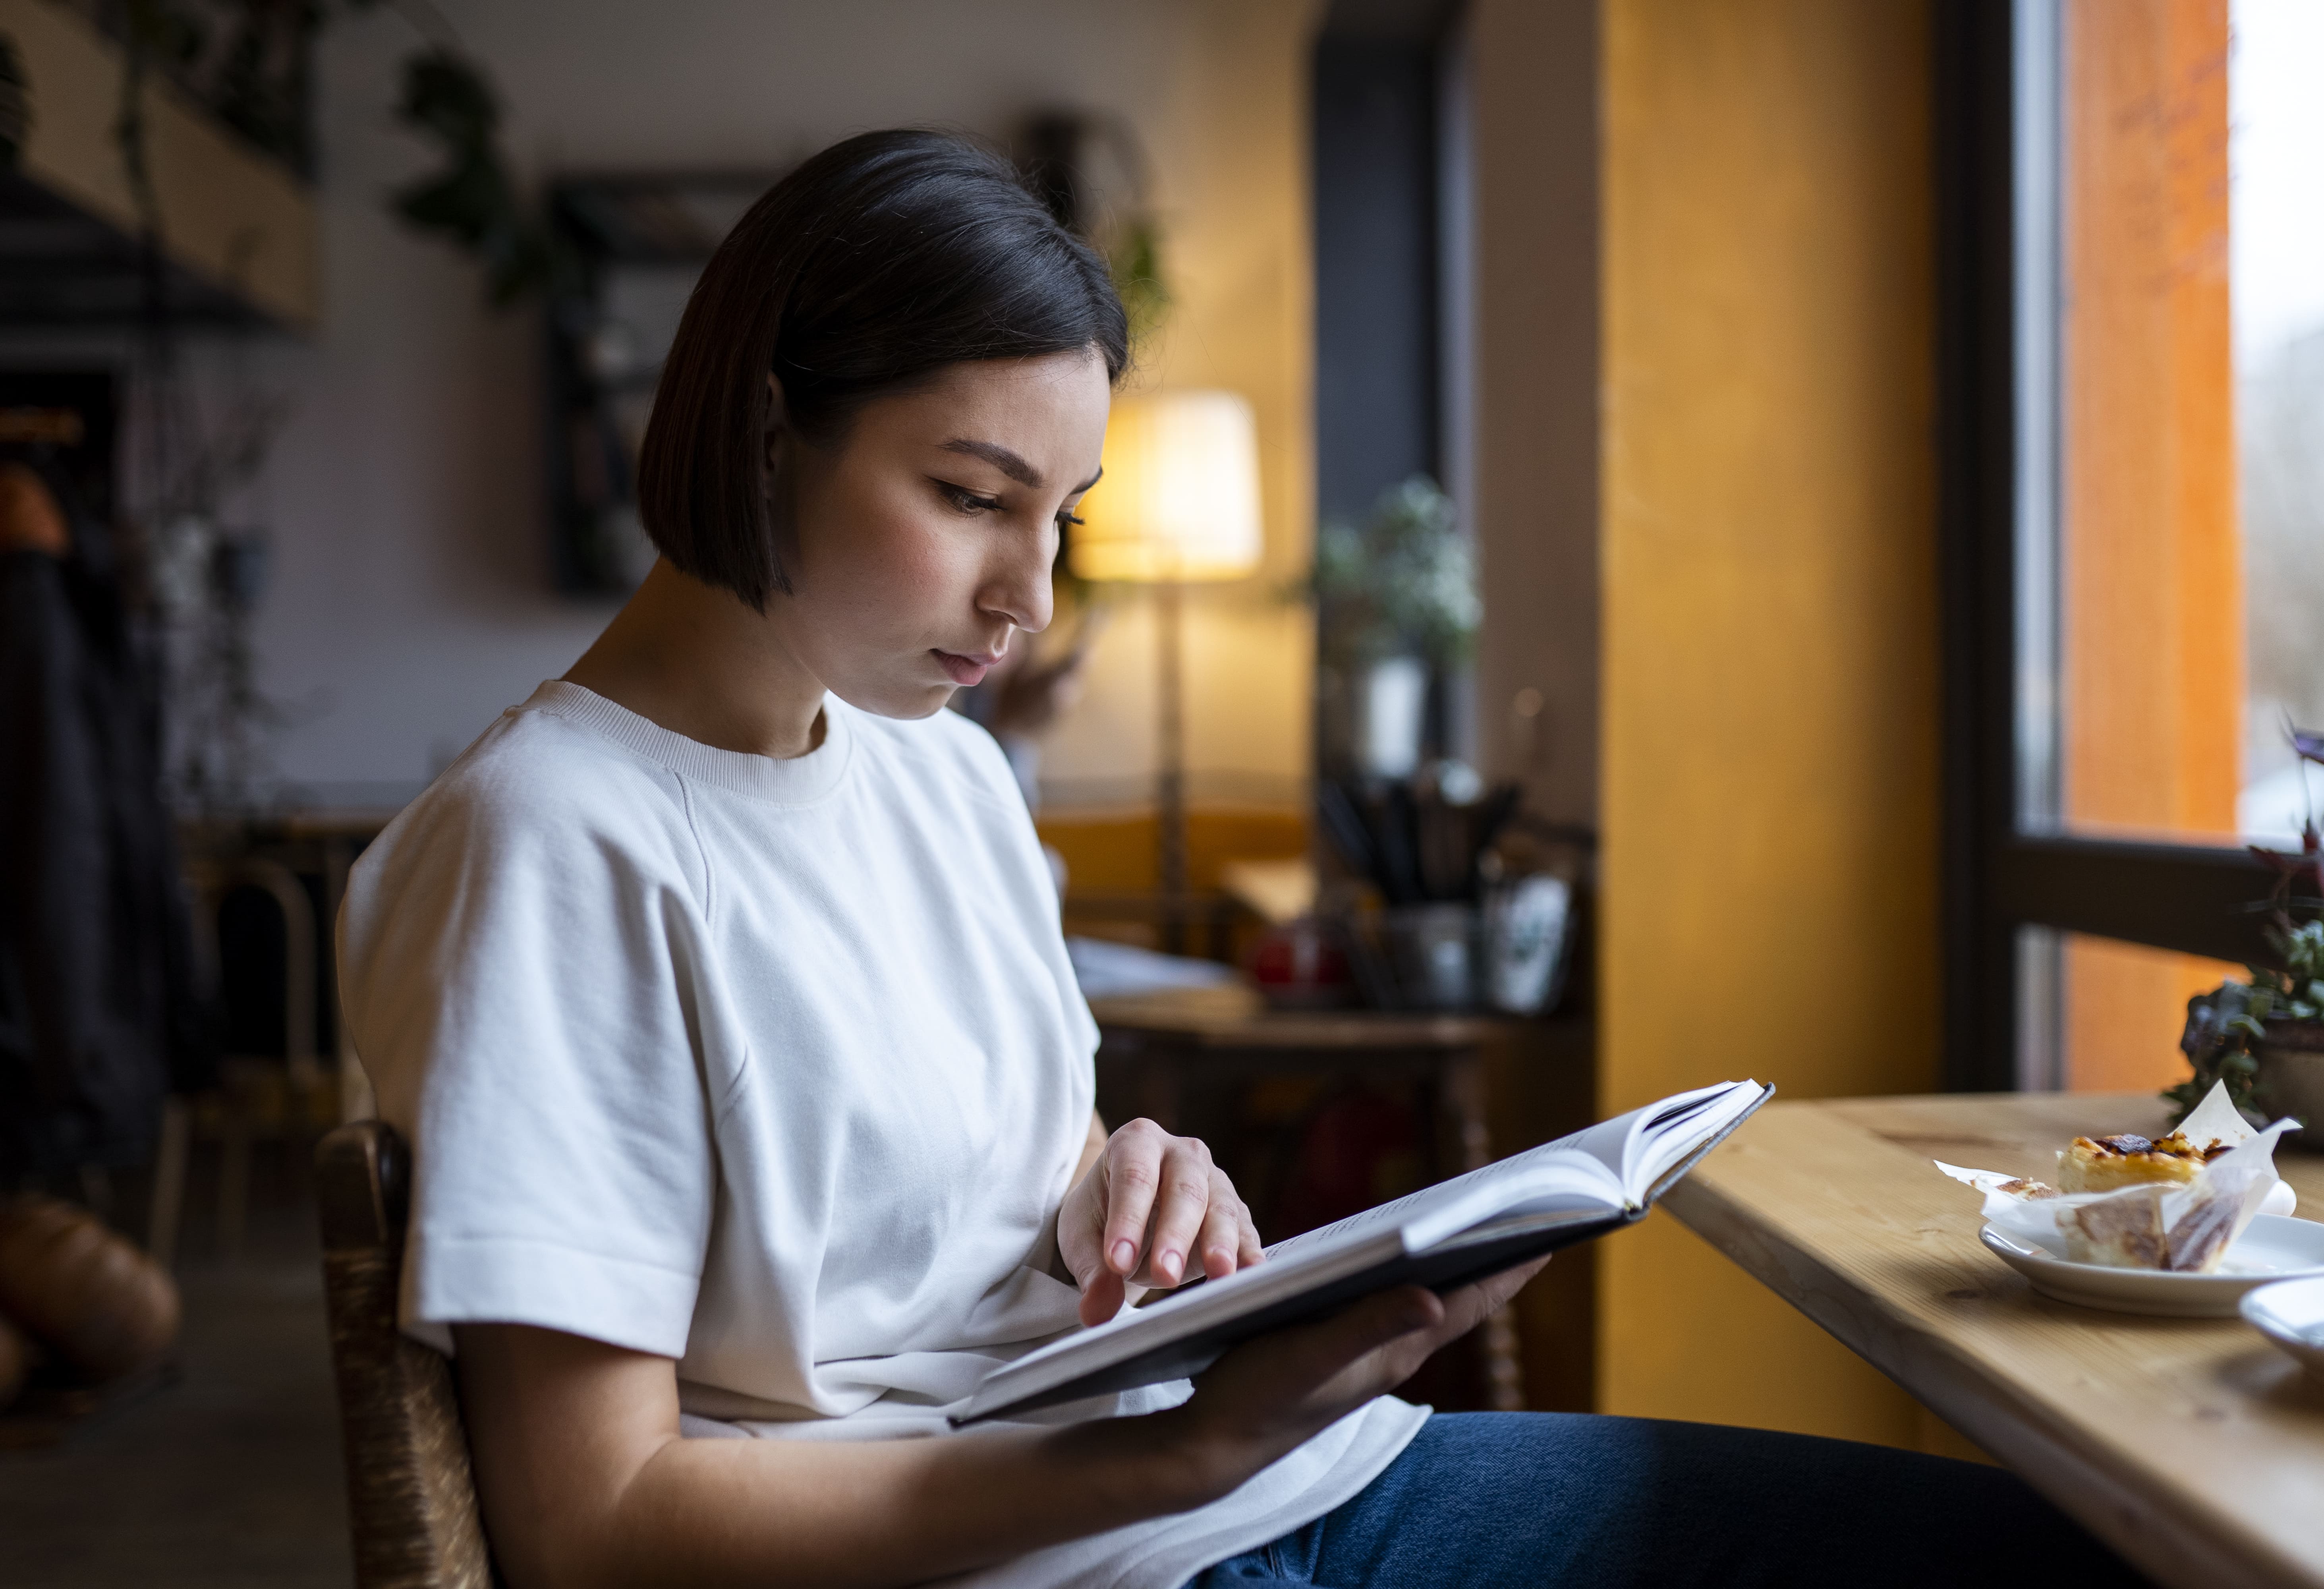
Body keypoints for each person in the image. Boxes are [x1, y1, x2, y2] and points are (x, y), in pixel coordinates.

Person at [338, 130, 2148, 1589]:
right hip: (1105, 1535)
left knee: (2085, 1549)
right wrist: (1179, 1455)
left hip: (1258, 1490)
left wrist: (1131, 1181)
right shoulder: (550, 841)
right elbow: (593, 1530)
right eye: (969, 496)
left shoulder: (939, 774)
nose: (1030, 598)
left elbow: (1009, 1180)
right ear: (760, 429)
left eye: (1060, 516)